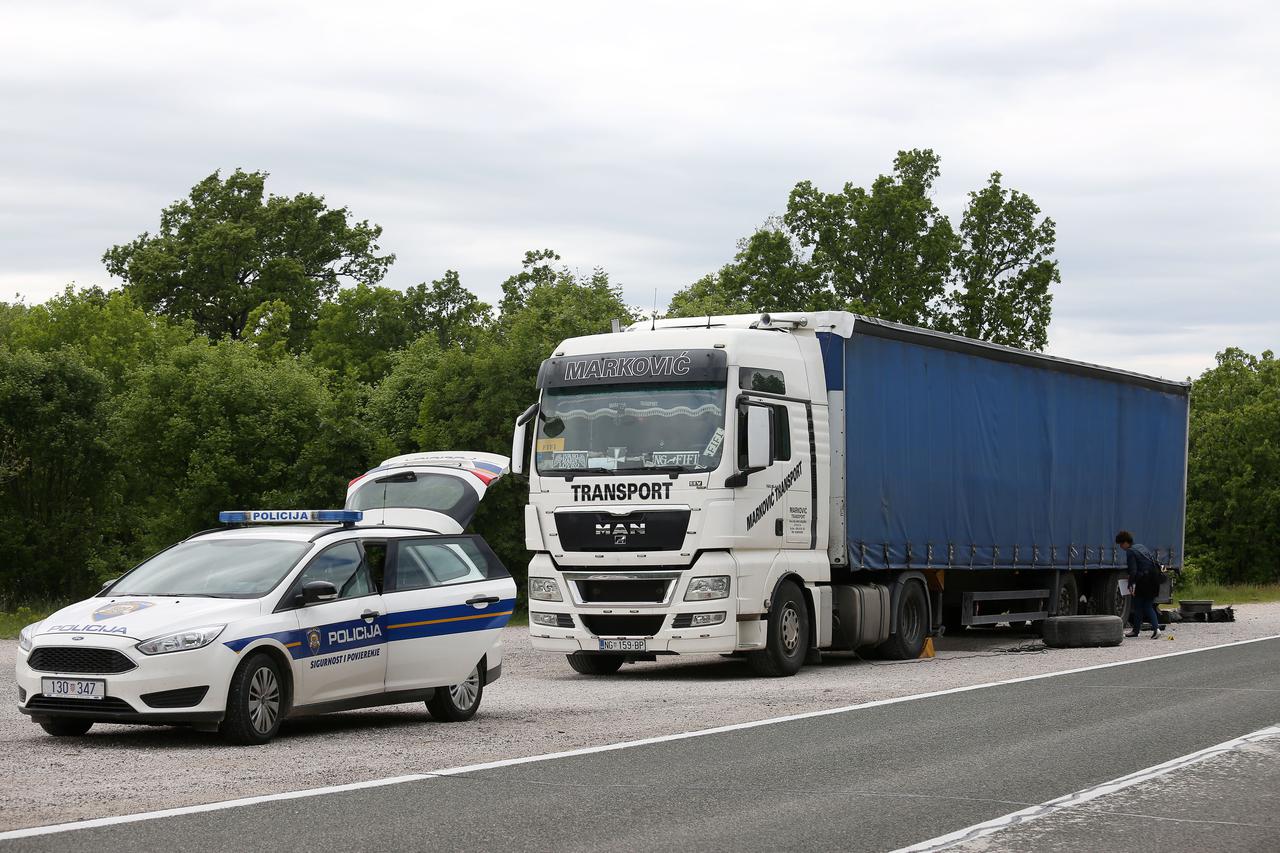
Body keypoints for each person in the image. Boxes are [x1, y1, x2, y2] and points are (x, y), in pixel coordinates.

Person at [1116, 530, 1162, 639]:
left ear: (1126, 542)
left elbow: (1133, 571)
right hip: (1154, 578)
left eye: (1121, 544)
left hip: (1145, 581)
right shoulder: (1141, 546)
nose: (1121, 547)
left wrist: (1130, 585)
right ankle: (1137, 630)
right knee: (1145, 605)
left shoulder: (1130, 551)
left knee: (1140, 606)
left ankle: (1154, 629)